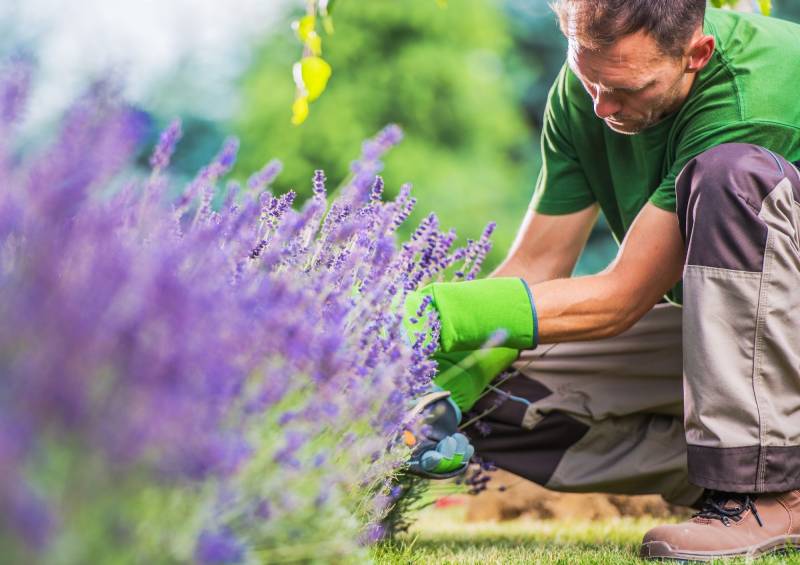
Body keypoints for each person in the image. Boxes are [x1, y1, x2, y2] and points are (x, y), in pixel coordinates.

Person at [405, 1, 800, 560]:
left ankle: (765, 492)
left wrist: (439, 312)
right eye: (589, 78)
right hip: (752, 345)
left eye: (626, 89)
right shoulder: (589, 92)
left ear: (697, 54)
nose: (601, 106)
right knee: (498, 401)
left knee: (732, 177)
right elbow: (535, 268)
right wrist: (441, 378)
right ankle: (753, 475)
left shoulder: (753, 98)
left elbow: (622, 297)